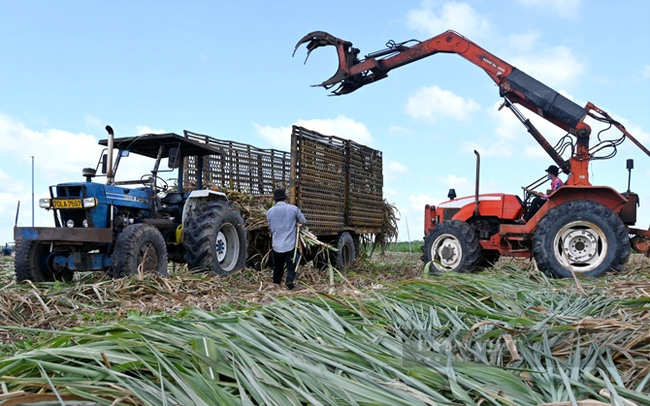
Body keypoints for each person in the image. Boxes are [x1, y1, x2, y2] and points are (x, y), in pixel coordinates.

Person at [266, 188, 306, 290]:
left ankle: (276, 284)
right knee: (291, 266)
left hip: (277, 245)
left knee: (277, 266)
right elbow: (303, 221)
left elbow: (270, 227)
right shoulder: (293, 209)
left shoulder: (269, 212)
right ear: (285, 198)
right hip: (290, 244)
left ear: (275, 200)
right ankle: (289, 282)